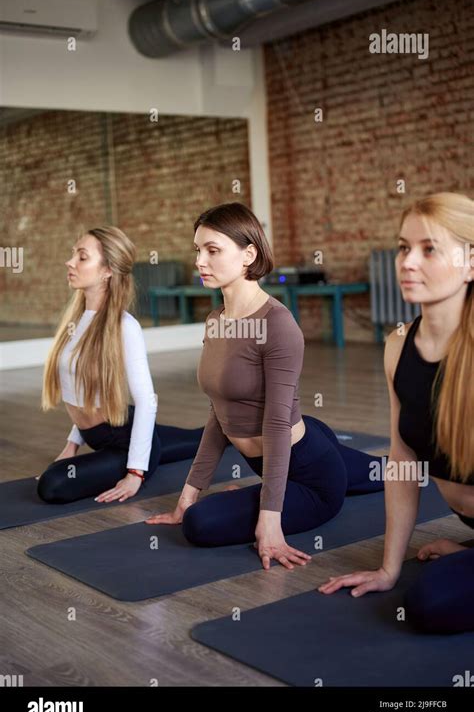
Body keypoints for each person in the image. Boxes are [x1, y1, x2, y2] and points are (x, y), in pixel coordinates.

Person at [145, 202, 385, 569]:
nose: (200, 262)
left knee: (201, 525)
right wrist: (187, 497)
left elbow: (275, 423)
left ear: (248, 254)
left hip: (310, 477)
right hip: (301, 442)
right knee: (191, 513)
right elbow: (219, 416)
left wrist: (269, 519)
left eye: (213, 250)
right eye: (197, 250)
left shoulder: (278, 324)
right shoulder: (216, 321)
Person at [319, 192, 474, 634]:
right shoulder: (397, 347)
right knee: (420, 596)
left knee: (430, 604)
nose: (407, 262)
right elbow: (403, 461)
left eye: (429, 250)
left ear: (470, 263)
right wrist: (388, 568)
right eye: (404, 248)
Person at [38, 226, 203, 504]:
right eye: (73, 255)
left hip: (121, 439)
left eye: (81, 257)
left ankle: (247, 431)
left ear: (107, 271)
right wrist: (71, 446)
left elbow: (146, 401)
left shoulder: (125, 326)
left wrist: (135, 473)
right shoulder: (76, 321)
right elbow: (81, 392)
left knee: (52, 485)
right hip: (108, 428)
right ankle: (224, 431)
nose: (70, 262)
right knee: (197, 439)